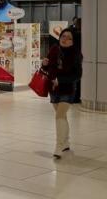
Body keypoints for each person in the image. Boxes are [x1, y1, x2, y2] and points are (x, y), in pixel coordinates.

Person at [42, 28, 82, 159]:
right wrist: (44, 64)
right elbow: (47, 68)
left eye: (68, 38)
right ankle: (66, 142)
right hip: (53, 89)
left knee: (59, 116)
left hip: (68, 89)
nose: (65, 39)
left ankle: (58, 146)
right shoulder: (54, 49)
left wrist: (61, 80)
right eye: (63, 36)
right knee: (62, 117)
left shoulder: (76, 54)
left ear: (73, 41)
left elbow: (77, 75)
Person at [70, 17, 82, 103]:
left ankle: (74, 97)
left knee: (74, 79)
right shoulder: (82, 34)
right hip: (79, 59)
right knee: (78, 79)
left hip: (73, 58)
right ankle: (77, 97)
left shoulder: (73, 33)